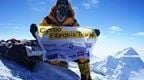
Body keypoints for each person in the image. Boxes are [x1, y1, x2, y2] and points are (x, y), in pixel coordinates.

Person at [30, 0, 100, 80]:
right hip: (52, 48)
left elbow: (79, 37)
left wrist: (92, 35)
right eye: (60, 5)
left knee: (83, 56)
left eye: (64, 6)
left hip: (67, 48)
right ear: (56, 7)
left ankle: (86, 78)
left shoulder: (72, 22)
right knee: (55, 64)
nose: (62, 8)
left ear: (68, 8)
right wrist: (34, 31)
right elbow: (40, 35)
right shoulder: (47, 20)